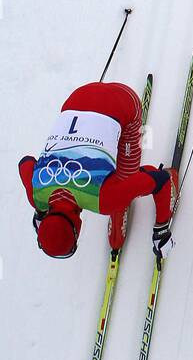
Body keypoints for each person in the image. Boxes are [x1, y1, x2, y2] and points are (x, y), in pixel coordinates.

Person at [20, 81, 176, 260]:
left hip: (125, 99)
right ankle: (123, 190)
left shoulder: (104, 200)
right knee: (114, 183)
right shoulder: (36, 193)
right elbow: (25, 162)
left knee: (127, 178)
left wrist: (161, 230)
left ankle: (130, 189)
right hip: (79, 95)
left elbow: (161, 180)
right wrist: (40, 210)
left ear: (77, 230)